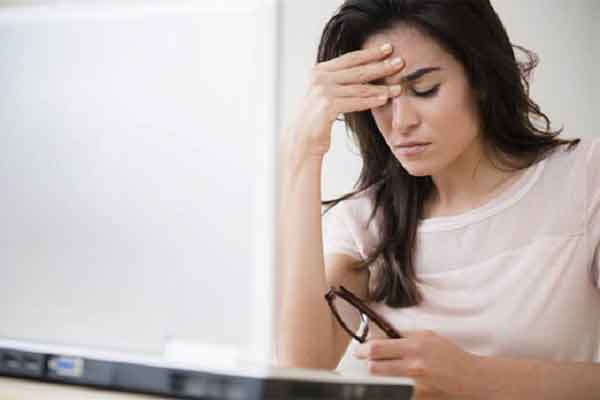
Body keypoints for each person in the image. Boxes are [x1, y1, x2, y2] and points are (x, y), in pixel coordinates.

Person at [276, 0, 600, 398]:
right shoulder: (367, 220)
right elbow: (299, 370)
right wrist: (301, 152)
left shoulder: (585, 178)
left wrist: (476, 377)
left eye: (425, 89)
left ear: (481, 78)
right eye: (381, 98)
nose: (401, 122)